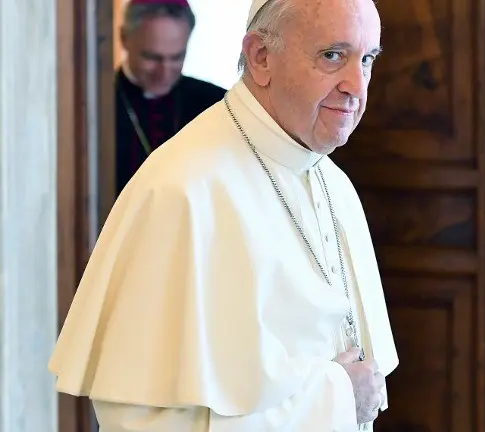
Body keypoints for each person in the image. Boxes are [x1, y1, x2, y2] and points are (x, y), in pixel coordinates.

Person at [49, 0, 398, 430]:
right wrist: (336, 400)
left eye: (366, 60)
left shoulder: (335, 185)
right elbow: (143, 421)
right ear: (261, 57)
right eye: (332, 56)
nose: (357, 86)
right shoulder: (182, 190)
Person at [115, 0, 226, 194]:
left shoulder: (217, 104)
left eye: (176, 57)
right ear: (124, 38)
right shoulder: (96, 105)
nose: (164, 72)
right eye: (151, 57)